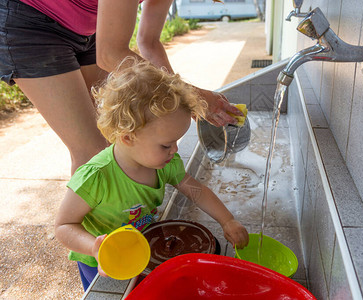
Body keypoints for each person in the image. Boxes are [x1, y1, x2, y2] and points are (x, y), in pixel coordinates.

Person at [54, 57, 249, 291]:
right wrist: (94, 247)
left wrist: (227, 220)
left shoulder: (164, 163)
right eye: (167, 145)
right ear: (128, 137)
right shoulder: (96, 177)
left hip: (143, 246)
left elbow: (196, 191)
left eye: (176, 142)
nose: (175, 150)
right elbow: (64, 225)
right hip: (102, 260)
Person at [0, 0, 242, 175]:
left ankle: (122, 216)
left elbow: (148, 41)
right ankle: (90, 237)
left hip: (87, 31)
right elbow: (111, 54)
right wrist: (194, 95)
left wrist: (180, 100)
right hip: (29, 24)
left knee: (115, 135)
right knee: (92, 151)